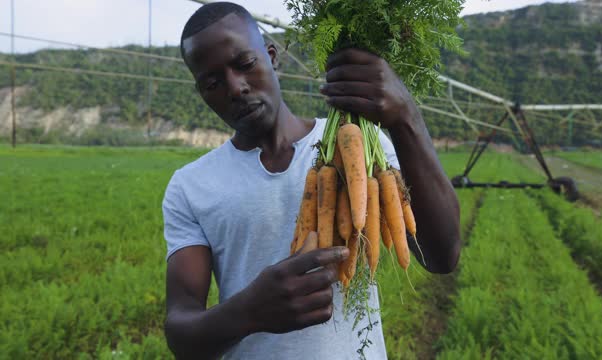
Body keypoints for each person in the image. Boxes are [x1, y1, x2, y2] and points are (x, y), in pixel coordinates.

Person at [162, 2, 461, 359]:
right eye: (213, 82)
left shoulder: (364, 146)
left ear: (272, 56)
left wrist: (405, 117)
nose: (235, 87)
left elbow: (442, 256)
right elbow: (181, 333)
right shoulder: (190, 187)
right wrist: (248, 312)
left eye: (245, 65)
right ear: (202, 93)